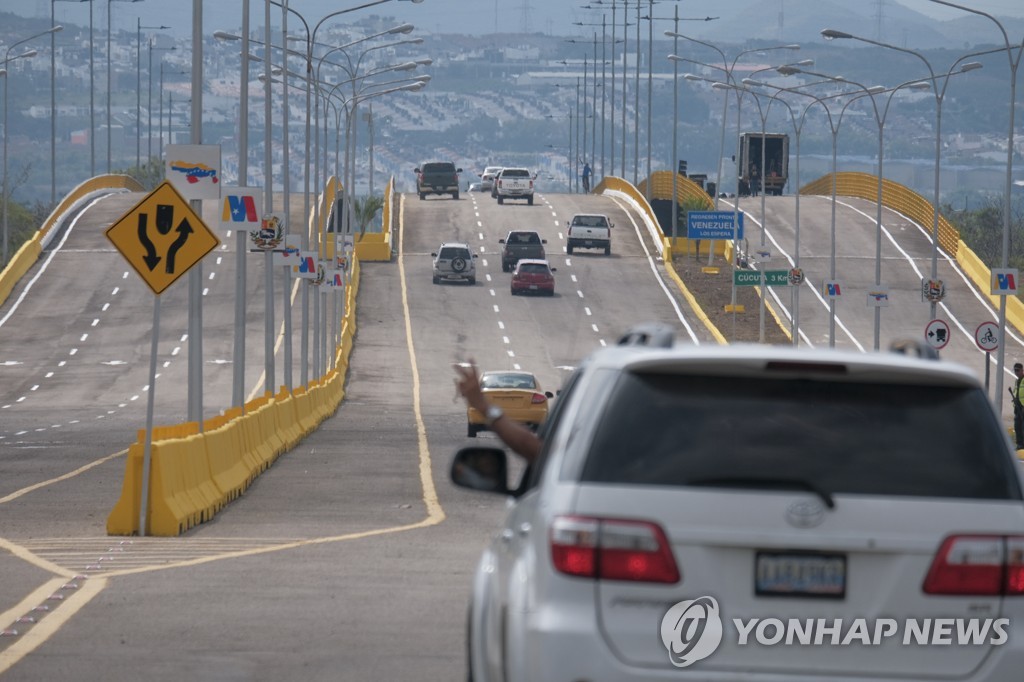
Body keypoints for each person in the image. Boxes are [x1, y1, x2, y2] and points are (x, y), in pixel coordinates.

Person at [454, 360, 542, 464]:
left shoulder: (483, 395)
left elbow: (529, 446)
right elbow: (532, 446)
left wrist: (484, 406)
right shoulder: (557, 457)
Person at [1011, 363, 1024, 450]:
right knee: (1017, 426)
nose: (1016, 372)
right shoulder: (1017, 380)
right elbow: (1017, 392)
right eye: (1015, 370)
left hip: (1023, 407)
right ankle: (1020, 445)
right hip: (1017, 407)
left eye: (1018, 370)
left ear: (1022, 370)